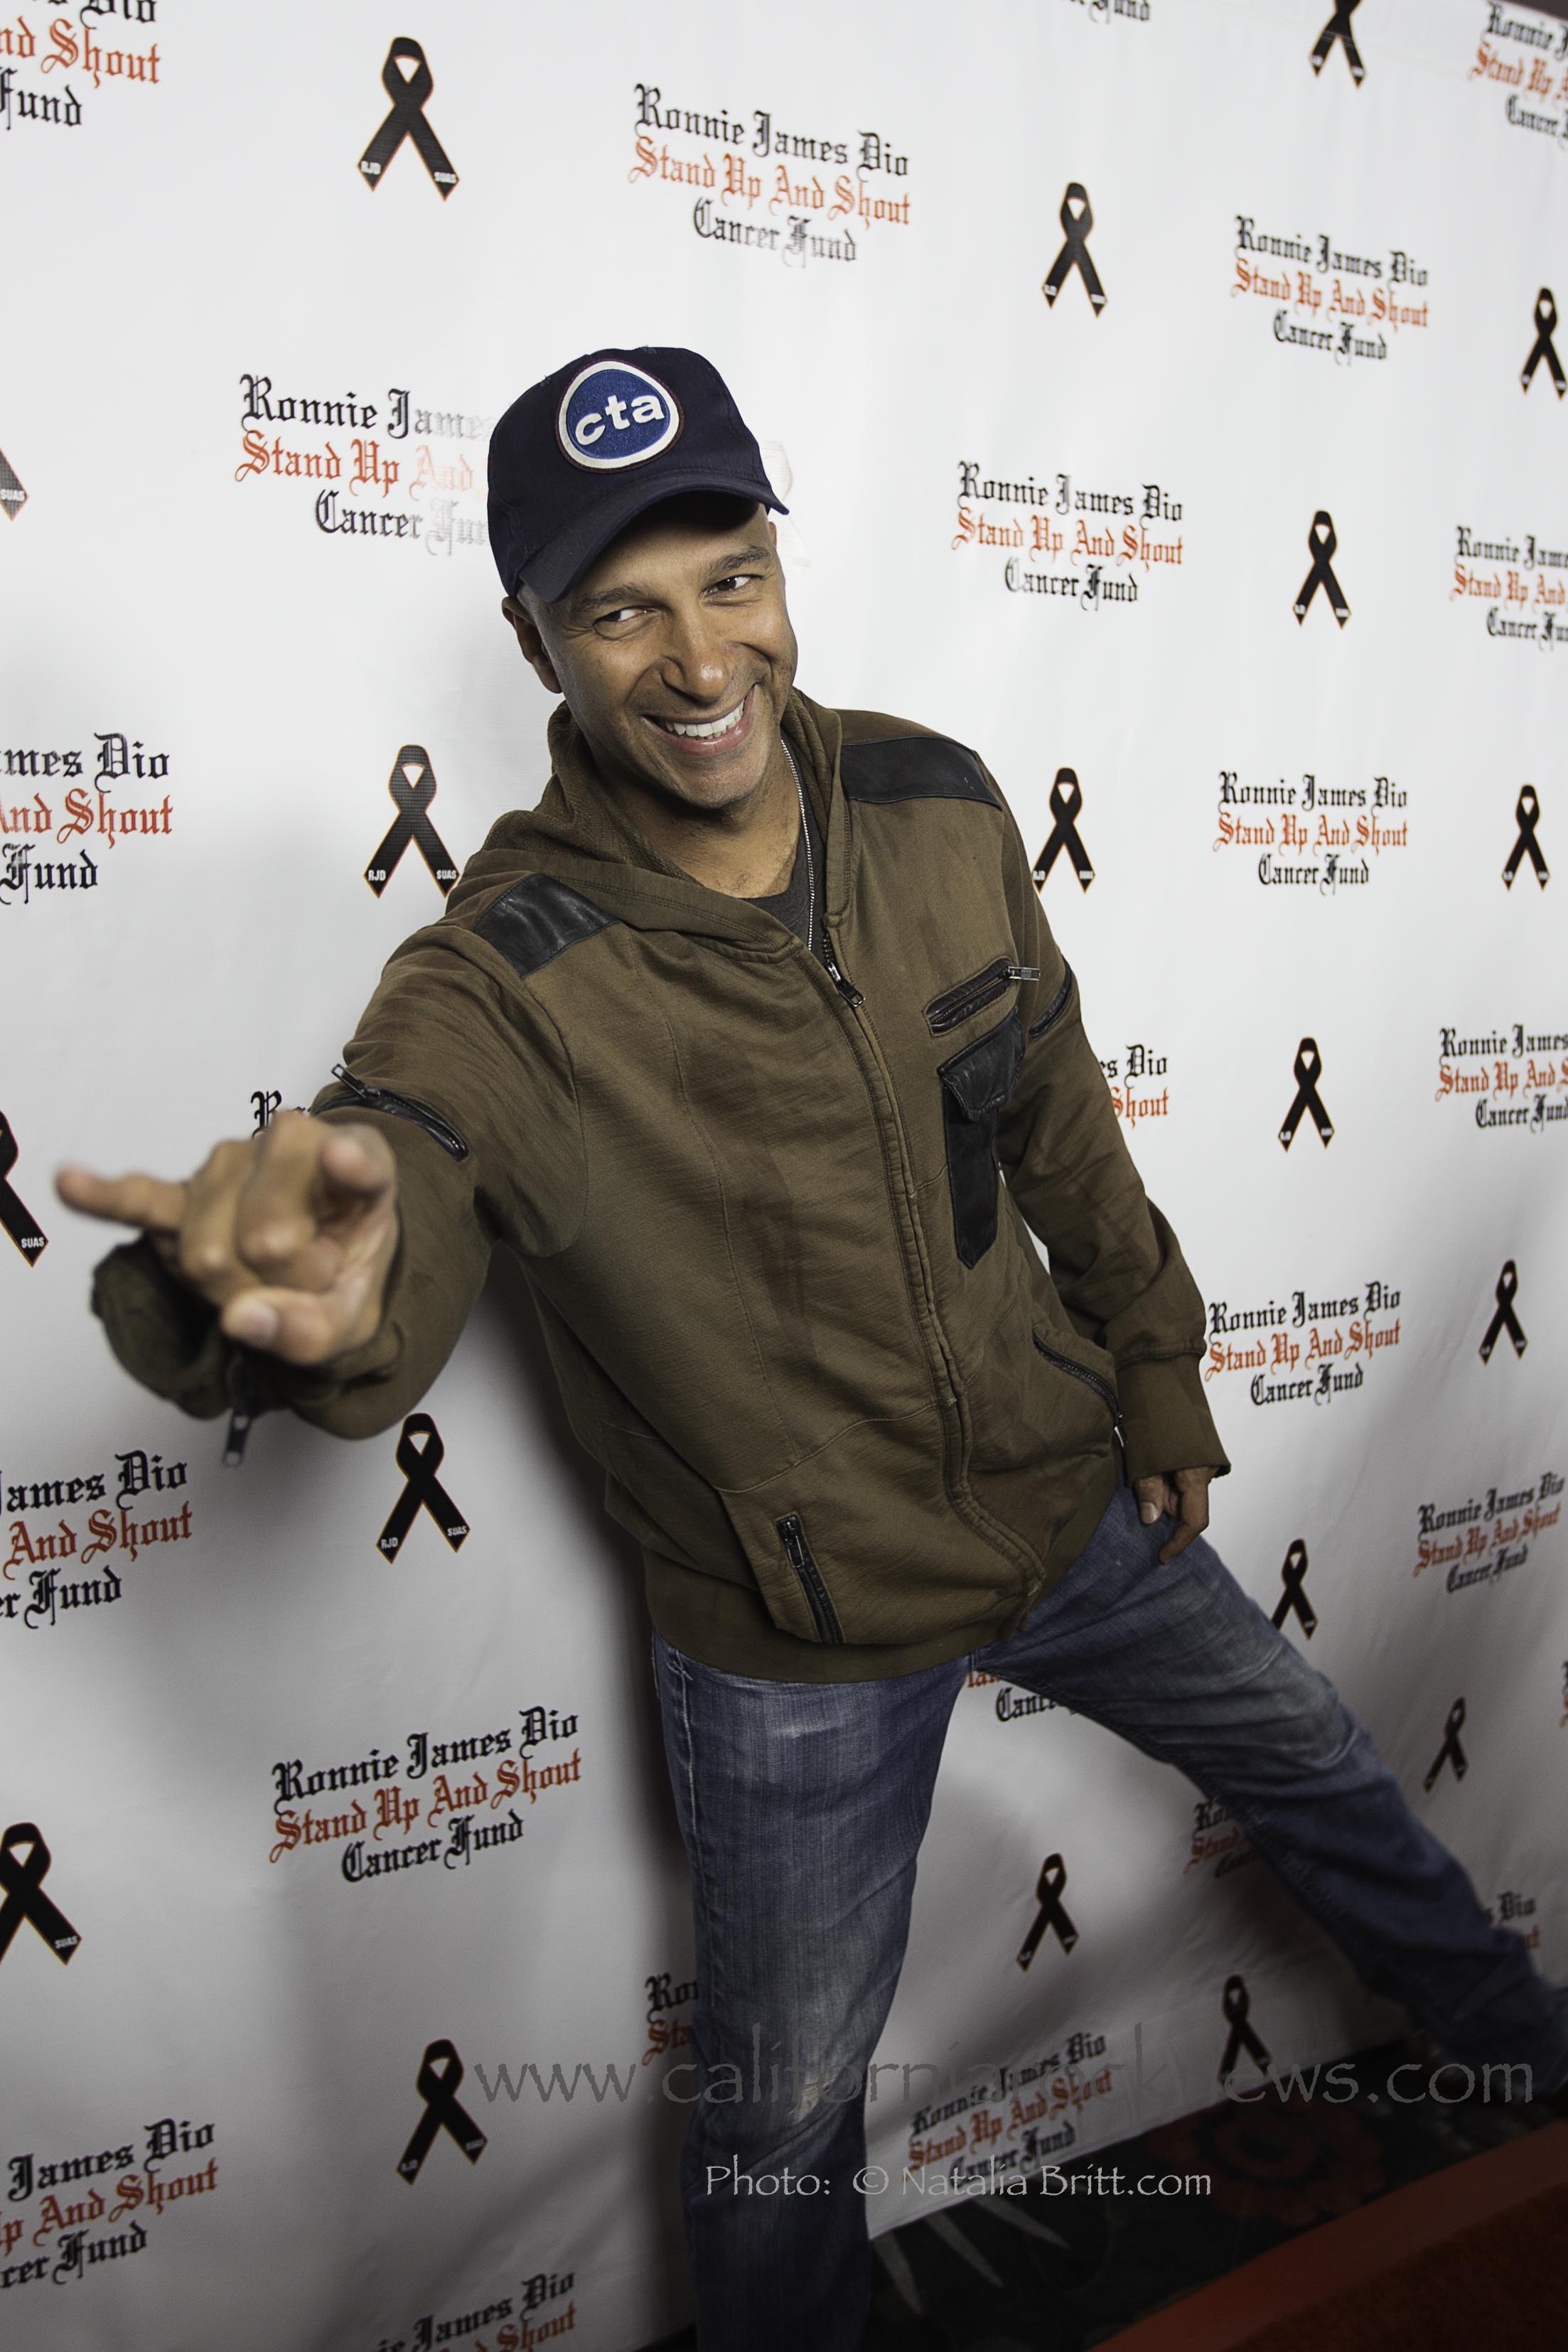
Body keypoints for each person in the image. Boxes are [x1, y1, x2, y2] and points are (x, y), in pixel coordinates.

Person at [59, 347, 1568, 2352]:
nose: (701, 659)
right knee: (782, 2116)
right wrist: (299, 1286)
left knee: (1329, 1782)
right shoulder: (504, 972)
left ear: (780, 564)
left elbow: (1060, 1113)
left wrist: (1153, 1358)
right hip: (800, 1638)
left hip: (1069, 1508)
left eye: (732, 577)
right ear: (536, 640)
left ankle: (1522, 2064)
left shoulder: (936, 799)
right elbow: (400, 1158)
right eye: (623, 611)